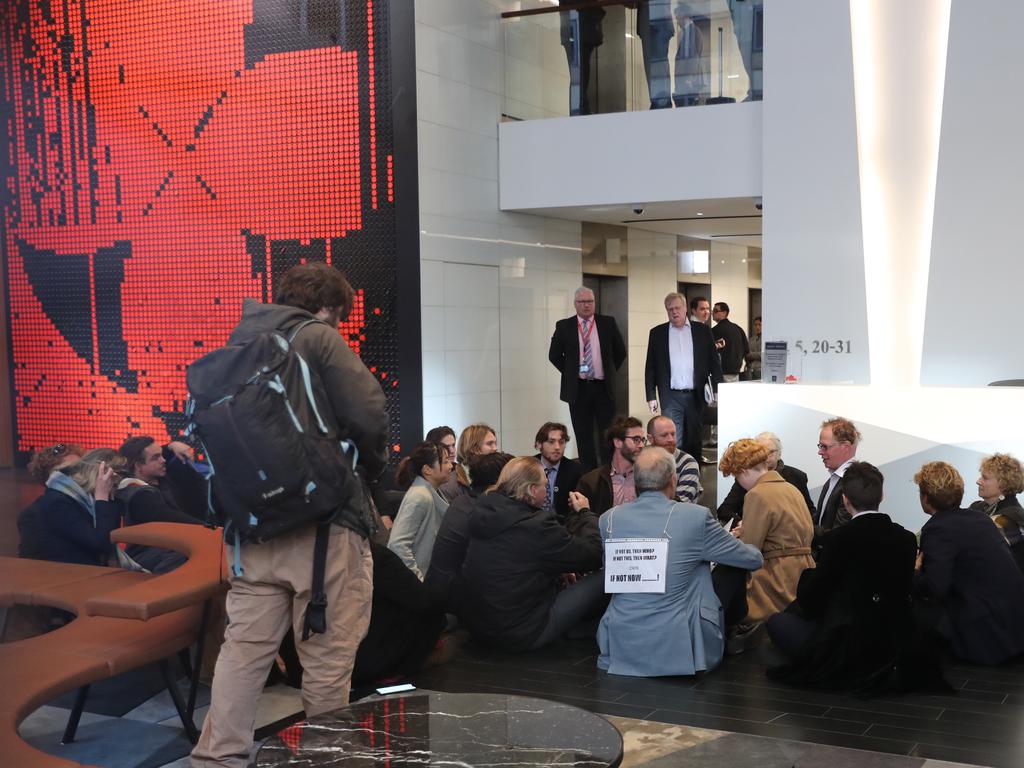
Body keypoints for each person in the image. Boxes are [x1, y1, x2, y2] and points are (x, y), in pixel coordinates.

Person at [193, 262, 388, 768]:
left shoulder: (239, 343)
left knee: (243, 651)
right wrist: (367, 469)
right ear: (328, 307)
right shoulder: (317, 337)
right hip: (324, 530)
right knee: (327, 658)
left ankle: (217, 757)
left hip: (252, 532)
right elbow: (369, 411)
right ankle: (326, 760)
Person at [767, 462, 946, 695]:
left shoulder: (838, 539)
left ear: (845, 500)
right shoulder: (905, 538)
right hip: (892, 640)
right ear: (881, 495)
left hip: (846, 644)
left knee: (776, 622)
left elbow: (814, 598)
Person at [597, 448, 763, 677]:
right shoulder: (695, 517)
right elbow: (752, 560)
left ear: (636, 481)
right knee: (732, 567)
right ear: (673, 480)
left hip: (621, 644)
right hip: (681, 647)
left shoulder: (609, 519)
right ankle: (735, 632)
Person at [459, 457, 604, 652]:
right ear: (533, 490)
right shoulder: (536, 525)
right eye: (545, 486)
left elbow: (520, 561)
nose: (547, 491)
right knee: (606, 577)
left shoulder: (482, 512)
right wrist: (586, 513)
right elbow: (592, 554)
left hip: (479, 629)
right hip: (522, 633)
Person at [913, 462, 1024, 666]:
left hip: (987, 640)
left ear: (926, 497)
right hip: (1013, 631)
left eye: (985, 477)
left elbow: (935, 587)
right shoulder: (980, 517)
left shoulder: (939, 528)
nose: (979, 480)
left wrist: (914, 572)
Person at [718, 439, 814, 651]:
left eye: (735, 476)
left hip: (773, 579)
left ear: (743, 471)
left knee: (723, 575)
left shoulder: (757, 494)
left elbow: (749, 551)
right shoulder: (791, 489)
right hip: (800, 575)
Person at [548, 287, 627, 470]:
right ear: (575, 304)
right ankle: (589, 473)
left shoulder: (607, 323)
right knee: (583, 434)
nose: (586, 305)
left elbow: (620, 352)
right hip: (578, 389)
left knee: (607, 432)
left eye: (590, 301)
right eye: (582, 302)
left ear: (594, 302)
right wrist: (570, 373)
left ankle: (609, 470)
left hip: (602, 387)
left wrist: (608, 371)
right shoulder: (564, 326)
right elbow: (554, 355)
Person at [426, 452, 514, 613]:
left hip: (439, 594)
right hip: (454, 604)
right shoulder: (485, 513)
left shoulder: (464, 501)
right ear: (500, 482)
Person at [351, 541, 448, 686]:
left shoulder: (318, 554)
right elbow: (423, 600)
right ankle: (398, 669)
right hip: (362, 663)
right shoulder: (373, 555)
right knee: (434, 615)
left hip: (317, 660)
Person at [645, 292, 723, 461]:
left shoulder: (702, 331)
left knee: (694, 439)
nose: (674, 312)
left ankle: (694, 479)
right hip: (671, 396)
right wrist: (651, 395)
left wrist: (717, 389)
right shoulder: (657, 333)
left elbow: (713, 362)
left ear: (685, 308)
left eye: (677, 308)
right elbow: (650, 366)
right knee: (671, 440)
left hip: (695, 395)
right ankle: (672, 479)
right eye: (670, 309)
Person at [118, 436, 206, 573]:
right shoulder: (137, 494)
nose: (163, 460)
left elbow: (163, 453)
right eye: (156, 457)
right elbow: (170, 517)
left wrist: (172, 445)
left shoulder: (161, 476)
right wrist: (211, 530)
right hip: (150, 556)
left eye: (162, 455)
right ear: (138, 466)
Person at [34, 456, 119, 566]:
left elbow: (112, 534)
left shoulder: (81, 498)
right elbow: (101, 542)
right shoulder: (57, 502)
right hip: (70, 571)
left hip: (89, 566)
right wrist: (102, 497)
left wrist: (108, 498)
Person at [717, 432, 814, 524]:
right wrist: (742, 524)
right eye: (760, 452)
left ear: (779, 453)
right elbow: (724, 510)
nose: (765, 456)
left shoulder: (797, 477)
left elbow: (809, 511)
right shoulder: (745, 479)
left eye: (770, 452)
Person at [387, 442, 452, 580]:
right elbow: (397, 544)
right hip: (417, 585)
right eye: (445, 462)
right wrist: (418, 581)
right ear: (427, 470)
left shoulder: (430, 491)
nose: (451, 466)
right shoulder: (419, 496)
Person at [18, 442, 85, 560]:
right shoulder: (33, 515)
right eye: (66, 472)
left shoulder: (93, 503)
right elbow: (30, 563)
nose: (77, 475)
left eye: (79, 468)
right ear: (48, 479)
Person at [576, 417, 646, 518]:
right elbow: (576, 520)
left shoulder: (649, 476)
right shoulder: (591, 482)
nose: (642, 445)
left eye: (643, 440)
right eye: (636, 440)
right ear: (618, 442)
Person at [970, 453, 1024, 572]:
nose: (978, 481)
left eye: (985, 478)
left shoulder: (1012, 518)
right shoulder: (977, 508)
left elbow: (978, 551)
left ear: (1003, 484)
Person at [558, 0, 605, 115]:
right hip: (578, 24)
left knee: (582, 68)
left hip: (581, 25)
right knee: (580, 69)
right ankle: (581, 105)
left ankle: (581, 104)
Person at [814, 416, 860, 534]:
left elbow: (840, 533)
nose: (820, 452)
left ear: (845, 447)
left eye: (825, 446)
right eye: (820, 446)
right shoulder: (832, 481)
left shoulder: (854, 481)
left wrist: (804, 527)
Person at [534, 421, 584, 522]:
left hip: (563, 526)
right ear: (539, 444)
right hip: (533, 524)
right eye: (551, 442)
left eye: (561, 442)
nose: (557, 447)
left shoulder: (575, 470)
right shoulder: (528, 467)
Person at [646, 415, 701, 503]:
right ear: (650, 438)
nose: (671, 439)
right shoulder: (642, 461)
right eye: (664, 435)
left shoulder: (688, 463)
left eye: (673, 434)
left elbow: (680, 505)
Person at [439, 423, 498, 501]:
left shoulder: (498, 477)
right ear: (473, 448)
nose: (495, 448)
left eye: (495, 443)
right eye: (489, 444)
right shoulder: (449, 486)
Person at [636, 1, 675, 109]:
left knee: (657, 64)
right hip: (650, 19)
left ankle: (661, 104)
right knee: (651, 64)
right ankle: (659, 103)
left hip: (657, 20)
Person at [711, 302, 749, 382]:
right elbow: (746, 350)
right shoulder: (738, 329)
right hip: (736, 373)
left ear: (724, 313)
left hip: (721, 373)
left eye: (715, 310)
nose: (712, 313)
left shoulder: (714, 331)